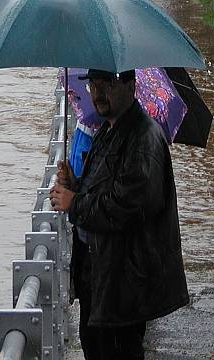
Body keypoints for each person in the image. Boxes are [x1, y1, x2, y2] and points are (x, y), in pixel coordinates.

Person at [50, 68, 189, 360]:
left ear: (131, 85)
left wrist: (74, 202)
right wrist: (74, 184)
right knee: (94, 344)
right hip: (101, 271)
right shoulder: (109, 130)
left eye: (107, 85)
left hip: (124, 279)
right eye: (94, 86)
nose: (99, 94)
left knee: (115, 350)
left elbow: (127, 206)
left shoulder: (143, 138)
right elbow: (102, 188)